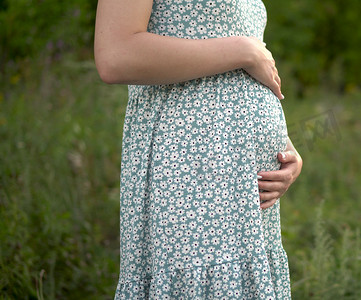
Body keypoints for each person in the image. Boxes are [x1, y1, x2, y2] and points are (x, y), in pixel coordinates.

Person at [94, 0, 302, 298]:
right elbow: (115, 55)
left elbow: (251, 70)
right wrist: (244, 49)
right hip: (189, 169)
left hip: (245, 185)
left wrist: (285, 148)